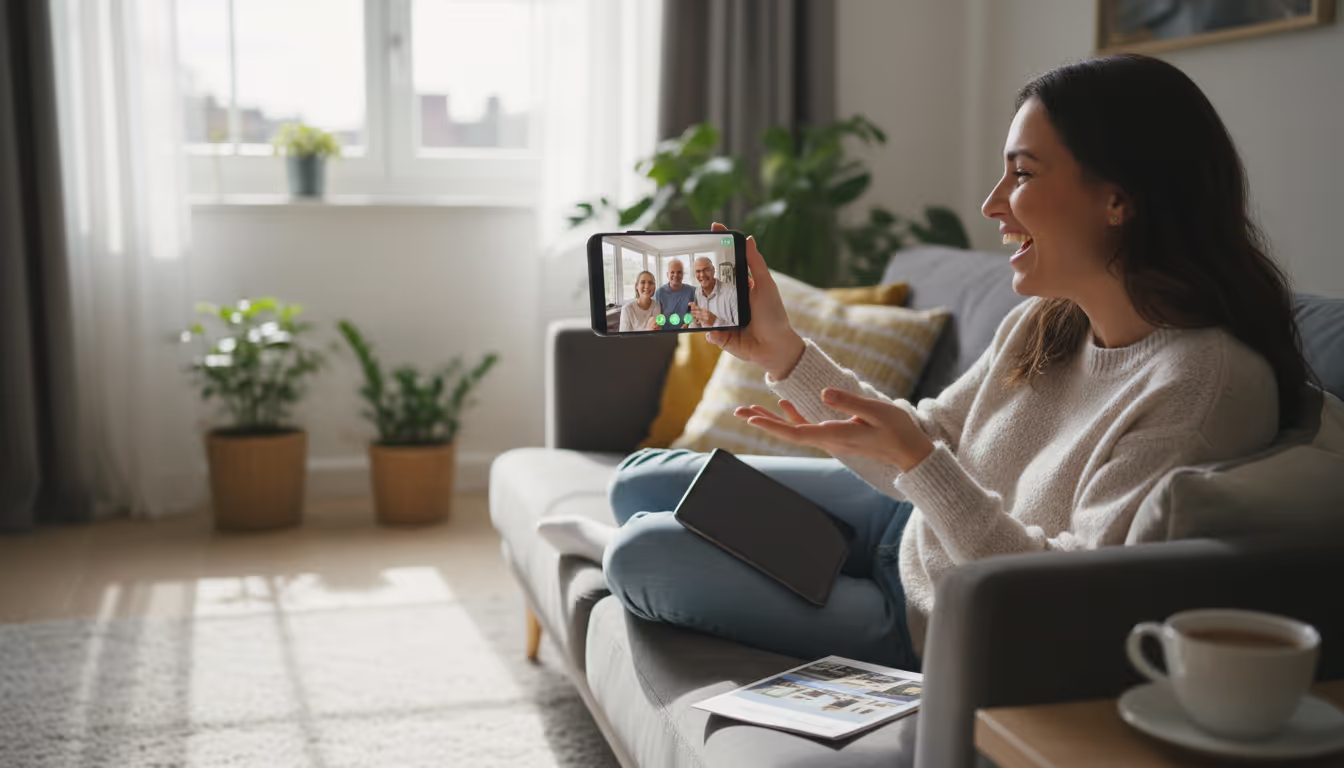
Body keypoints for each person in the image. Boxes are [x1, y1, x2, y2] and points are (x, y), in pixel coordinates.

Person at [537, 55, 1313, 670]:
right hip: (900, 529)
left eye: (1023, 172)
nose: (993, 202)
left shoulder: (1202, 383)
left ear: (1121, 199)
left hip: (932, 617)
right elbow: (925, 435)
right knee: (642, 475)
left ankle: (652, 555)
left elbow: (1063, 596)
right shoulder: (1049, 324)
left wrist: (917, 458)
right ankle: (767, 554)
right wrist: (784, 352)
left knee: (644, 554)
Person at [688, 255, 739, 328]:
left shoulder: (732, 292)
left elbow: (743, 330)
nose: (702, 275)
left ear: (713, 270)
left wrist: (715, 322)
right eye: (698, 271)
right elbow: (697, 323)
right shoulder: (697, 293)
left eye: (706, 270)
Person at [654, 258, 696, 327]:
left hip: (687, 332)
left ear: (683, 274)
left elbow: (694, 314)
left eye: (679, 272)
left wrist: (687, 324)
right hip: (665, 333)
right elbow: (656, 315)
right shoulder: (660, 292)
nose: (676, 275)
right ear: (667, 274)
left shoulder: (692, 291)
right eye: (672, 272)